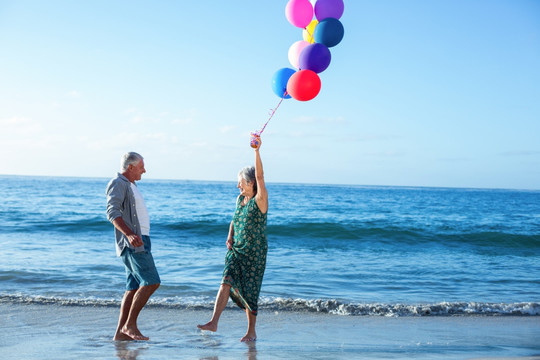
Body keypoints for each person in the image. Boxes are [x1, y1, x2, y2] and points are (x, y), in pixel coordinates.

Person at [197, 139, 268, 342]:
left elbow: (261, 176)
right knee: (225, 280)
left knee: (250, 292)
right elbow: (235, 219)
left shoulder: (260, 200)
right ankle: (213, 322)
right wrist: (230, 235)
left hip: (254, 254)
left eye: (240, 182)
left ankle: (251, 331)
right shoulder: (240, 199)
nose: (237, 185)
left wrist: (257, 151)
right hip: (237, 250)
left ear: (250, 183)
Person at [106, 152, 160, 341]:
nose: (144, 170)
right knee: (152, 281)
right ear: (130, 167)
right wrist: (129, 234)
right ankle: (130, 325)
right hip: (133, 242)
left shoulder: (131, 185)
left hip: (141, 239)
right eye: (141, 167)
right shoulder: (118, 183)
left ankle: (121, 335)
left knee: (133, 287)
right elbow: (112, 212)